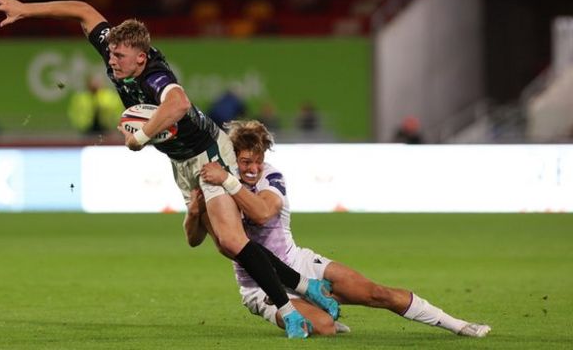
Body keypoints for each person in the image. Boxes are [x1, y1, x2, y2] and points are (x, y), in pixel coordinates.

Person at [0, 0, 337, 339]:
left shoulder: (154, 75)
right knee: (227, 245)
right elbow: (82, 10)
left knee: (232, 240)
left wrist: (140, 137)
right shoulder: (116, 47)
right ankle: (309, 286)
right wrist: (25, 9)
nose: (112, 61)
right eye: (110, 53)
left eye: (120, 56)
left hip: (208, 151)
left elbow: (179, 104)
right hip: (181, 160)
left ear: (140, 58)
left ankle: (290, 313)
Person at [189, 119, 491, 337]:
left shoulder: (268, 177)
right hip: (259, 287)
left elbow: (264, 213)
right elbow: (197, 240)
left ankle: (457, 325)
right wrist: (194, 210)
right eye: (245, 162)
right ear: (232, 159)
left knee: (377, 293)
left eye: (258, 160)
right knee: (324, 328)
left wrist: (228, 182)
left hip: (300, 264)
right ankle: (317, 313)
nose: (253, 168)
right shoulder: (217, 187)